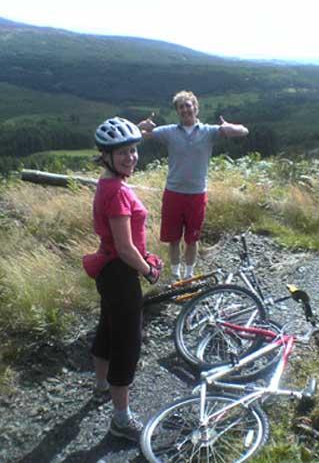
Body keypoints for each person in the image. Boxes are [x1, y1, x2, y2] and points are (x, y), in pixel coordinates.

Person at [82, 117, 163, 443]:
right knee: (127, 343)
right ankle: (121, 419)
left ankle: (101, 386)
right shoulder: (115, 192)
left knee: (108, 327)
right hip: (121, 272)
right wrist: (149, 270)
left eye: (133, 150)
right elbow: (127, 248)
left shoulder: (108, 183)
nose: (130, 157)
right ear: (106, 156)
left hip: (109, 270)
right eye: (122, 153)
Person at [138, 90, 249, 281]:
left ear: (195, 108)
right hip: (173, 193)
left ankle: (189, 275)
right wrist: (141, 125)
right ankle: (175, 275)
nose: (185, 110)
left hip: (197, 194)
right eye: (181, 107)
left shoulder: (209, 131)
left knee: (192, 238)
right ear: (177, 111)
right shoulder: (169, 131)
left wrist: (231, 127)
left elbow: (245, 131)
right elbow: (135, 134)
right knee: (173, 239)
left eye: (188, 106)